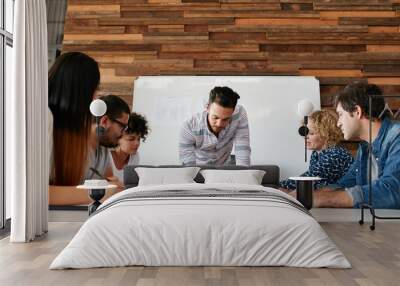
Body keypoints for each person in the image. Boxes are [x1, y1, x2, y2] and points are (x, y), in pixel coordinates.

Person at [307, 81, 400, 209]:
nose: (338, 123)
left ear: (357, 111)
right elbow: (346, 183)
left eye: (340, 115)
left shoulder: (397, 137)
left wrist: (326, 199)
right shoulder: (365, 148)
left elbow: (392, 191)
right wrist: (304, 196)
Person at [48, 52, 101, 205]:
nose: (96, 97)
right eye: (95, 89)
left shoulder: (63, 129)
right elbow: (36, 194)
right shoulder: (44, 117)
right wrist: (102, 193)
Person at [280, 110, 353, 190]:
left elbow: (310, 178)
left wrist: (276, 186)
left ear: (326, 134)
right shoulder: (316, 153)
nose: (305, 137)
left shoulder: (335, 154)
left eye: (311, 133)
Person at [179, 86, 251, 166]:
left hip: (226, 167)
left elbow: (243, 152)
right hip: (199, 170)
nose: (219, 124)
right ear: (207, 107)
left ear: (233, 112)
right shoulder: (189, 126)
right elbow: (188, 167)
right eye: (215, 117)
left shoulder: (239, 115)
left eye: (225, 119)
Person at [109, 112, 149, 184]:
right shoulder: (106, 157)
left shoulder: (135, 157)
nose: (137, 143)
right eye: (131, 139)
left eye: (139, 139)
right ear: (118, 138)